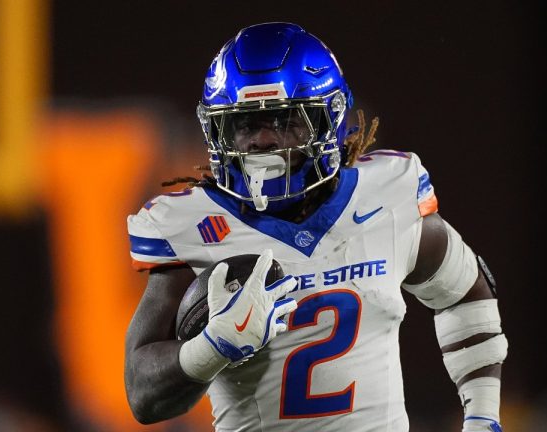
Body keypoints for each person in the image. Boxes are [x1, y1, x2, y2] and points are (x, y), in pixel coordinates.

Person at [124, 22, 508, 432]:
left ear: (331, 119)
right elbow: (142, 395)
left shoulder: (385, 195)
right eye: (245, 125)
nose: (263, 141)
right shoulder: (193, 227)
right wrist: (211, 348)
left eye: (285, 120)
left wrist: (482, 415)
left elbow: (464, 292)